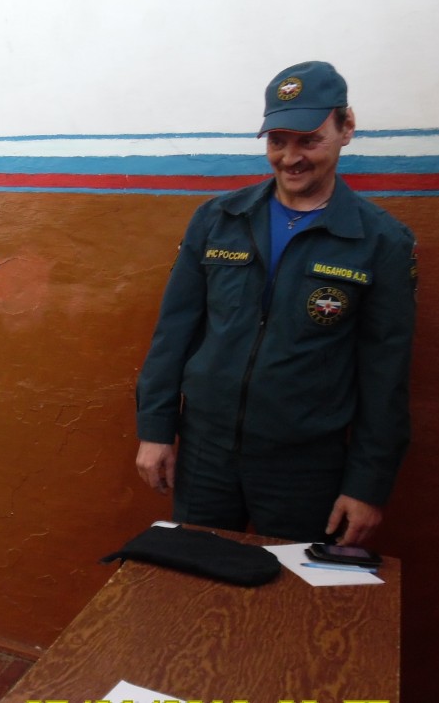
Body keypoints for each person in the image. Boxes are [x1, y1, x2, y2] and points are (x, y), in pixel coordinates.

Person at [134, 61, 417, 546]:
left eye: (309, 140)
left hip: (305, 468)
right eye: (277, 141)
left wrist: (368, 484)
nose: (290, 158)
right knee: (194, 575)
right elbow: (173, 334)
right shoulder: (218, 220)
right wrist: (156, 429)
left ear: (346, 127)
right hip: (205, 453)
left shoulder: (381, 242)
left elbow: (385, 374)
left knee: (294, 589)